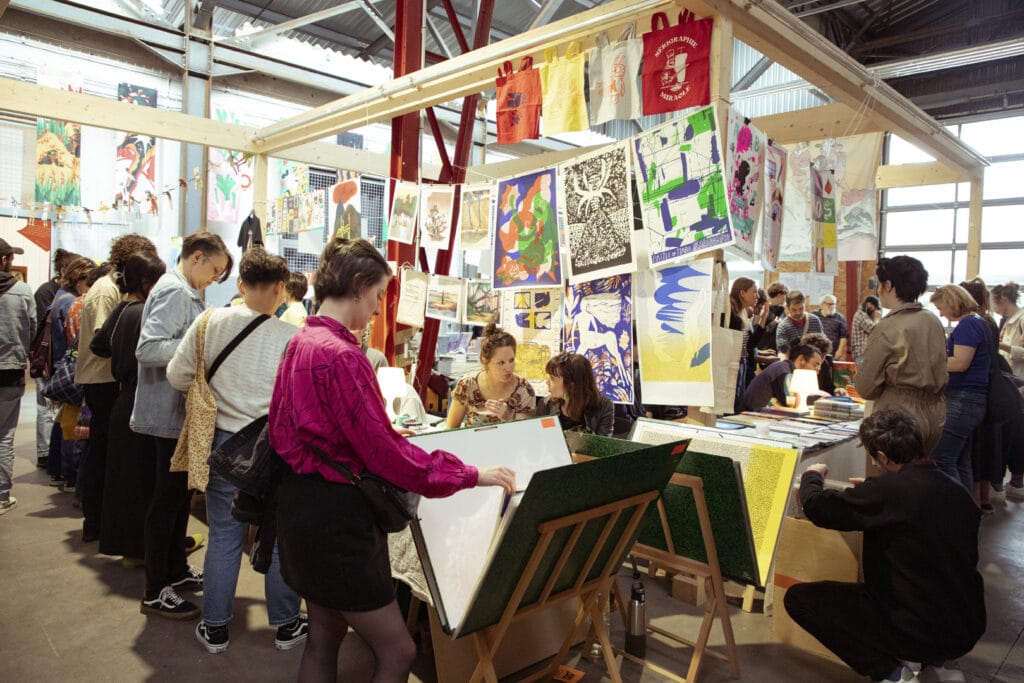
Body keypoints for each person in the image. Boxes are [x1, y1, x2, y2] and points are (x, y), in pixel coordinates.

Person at [268, 237, 516, 682]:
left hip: (300, 509)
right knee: (398, 649)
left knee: (324, 636)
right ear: (359, 284)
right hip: (339, 522)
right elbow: (389, 458)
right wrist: (470, 474)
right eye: (379, 294)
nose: (379, 309)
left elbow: (289, 433)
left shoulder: (300, 341)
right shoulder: (342, 356)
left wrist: (368, 439)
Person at [167, 249, 306, 654]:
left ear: (241, 284)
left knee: (224, 535)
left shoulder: (209, 322)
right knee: (277, 534)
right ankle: (285, 626)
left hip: (222, 444)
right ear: (281, 289)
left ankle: (215, 629)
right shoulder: (292, 339)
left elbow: (178, 376)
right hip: (273, 448)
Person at [784, 408, 985, 683]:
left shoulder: (889, 492)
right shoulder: (958, 492)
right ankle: (936, 661)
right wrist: (873, 491)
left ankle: (892, 674)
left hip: (915, 627)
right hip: (966, 625)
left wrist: (812, 475)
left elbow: (818, 508)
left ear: (881, 457)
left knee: (798, 600)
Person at [134, 231, 233, 619]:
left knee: (176, 502)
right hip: (165, 415)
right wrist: (201, 345)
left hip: (175, 413)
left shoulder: (183, 292)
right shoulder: (176, 292)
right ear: (196, 257)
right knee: (166, 501)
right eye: (215, 270)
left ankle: (173, 571)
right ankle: (155, 588)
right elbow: (147, 349)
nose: (214, 279)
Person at [76, 234, 158, 543]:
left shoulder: (114, 290)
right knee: (102, 454)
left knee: (107, 454)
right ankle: (96, 521)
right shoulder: (108, 290)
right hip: (103, 381)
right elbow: (104, 339)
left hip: (110, 380)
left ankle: (102, 522)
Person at [90, 252, 166, 566]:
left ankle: (127, 547)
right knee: (141, 481)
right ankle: (138, 551)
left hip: (123, 397)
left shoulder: (122, 309)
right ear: (147, 281)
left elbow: (98, 345)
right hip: (142, 398)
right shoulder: (144, 312)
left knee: (123, 479)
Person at [854, 256, 948, 453]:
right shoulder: (932, 320)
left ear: (888, 285)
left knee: (891, 481)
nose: (878, 290)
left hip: (898, 419)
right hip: (935, 413)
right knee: (920, 476)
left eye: (879, 284)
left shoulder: (887, 327)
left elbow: (865, 386)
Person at [930, 284, 990, 493]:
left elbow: (960, 363)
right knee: (960, 460)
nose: (941, 313)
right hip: (969, 401)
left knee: (942, 459)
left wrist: (929, 363)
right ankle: (967, 512)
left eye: (941, 307)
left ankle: (955, 513)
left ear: (951, 302)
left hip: (963, 400)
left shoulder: (968, 325)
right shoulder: (977, 323)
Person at [32, 248, 77, 469]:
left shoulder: (58, 294)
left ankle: (52, 459)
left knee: (57, 412)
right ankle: (45, 453)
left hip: (57, 361)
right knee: (47, 408)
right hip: (50, 361)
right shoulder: (50, 293)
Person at [0, 238, 35, 515]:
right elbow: (31, 329)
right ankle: (1, 495)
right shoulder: (22, 291)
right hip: (9, 371)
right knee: (4, 435)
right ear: (4, 261)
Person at [446, 323, 536, 428]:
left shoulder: (524, 389)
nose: (508, 368)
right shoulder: (466, 384)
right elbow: (451, 429)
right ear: (485, 361)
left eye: (511, 360)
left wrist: (507, 417)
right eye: (501, 363)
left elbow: (524, 435)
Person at [992, 281, 1024, 498]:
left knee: (1017, 434)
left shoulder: (1021, 320)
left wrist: (998, 344)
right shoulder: (1005, 321)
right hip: (1008, 383)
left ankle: (1017, 479)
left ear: (1003, 299)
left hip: (1019, 385)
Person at [538, 352, 614, 436]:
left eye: (552, 379)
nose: (547, 382)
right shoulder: (546, 404)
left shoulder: (604, 406)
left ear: (571, 385)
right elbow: (542, 440)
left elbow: (602, 446)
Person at [739, 342, 823, 412]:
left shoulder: (787, 369)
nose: (818, 370)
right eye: (816, 364)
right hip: (755, 415)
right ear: (801, 360)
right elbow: (792, 402)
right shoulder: (783, 371)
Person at [727, 277, 765, 395]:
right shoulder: (732, 315)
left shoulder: (742, 312)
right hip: (734, 368)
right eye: (754, 291)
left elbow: (750, 344)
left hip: (742, 366)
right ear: (742, 293)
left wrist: (763, 317)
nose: (757, 296)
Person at [756, 281, 788, 361]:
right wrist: (774, 324)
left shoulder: (781, 310)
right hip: (764, 351)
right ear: (780, 295)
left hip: (776, 350)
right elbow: (758, 331)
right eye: (785, 295)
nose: (785, 298)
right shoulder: (763, 309)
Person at [850, 295, 881, 366]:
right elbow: (874, 330)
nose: (874, 310)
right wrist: (876, 318)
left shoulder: (864, 315)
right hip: (862, 354)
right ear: (869, 304)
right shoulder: (861, 315)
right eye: (874, 308)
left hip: (864, 354)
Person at [818, 294, 849, 361]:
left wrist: (840, 351)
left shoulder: (840, 318)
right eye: (829, 304)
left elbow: (843, 336)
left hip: (833, 353)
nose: (831, 306)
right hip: (817, 352)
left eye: (833, 304)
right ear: (822, 305)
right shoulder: (815, 316)